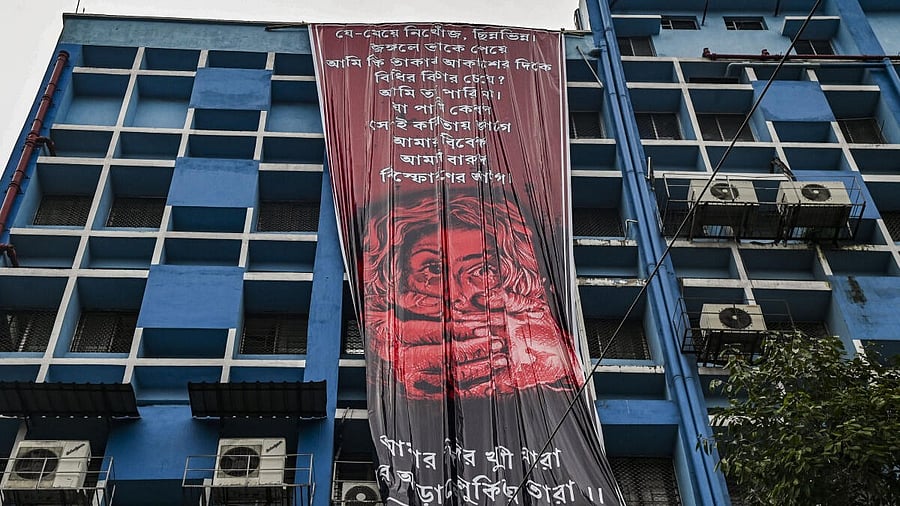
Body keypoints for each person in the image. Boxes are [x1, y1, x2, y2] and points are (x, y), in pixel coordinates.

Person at [361, 192, 583, 399]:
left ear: (515, 274)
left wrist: (551, 359)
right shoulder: (387, 348)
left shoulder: (545, 341)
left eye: (482, 270)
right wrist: (385, 369)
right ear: (394, 279)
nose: (459, 296)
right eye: (434, 270)